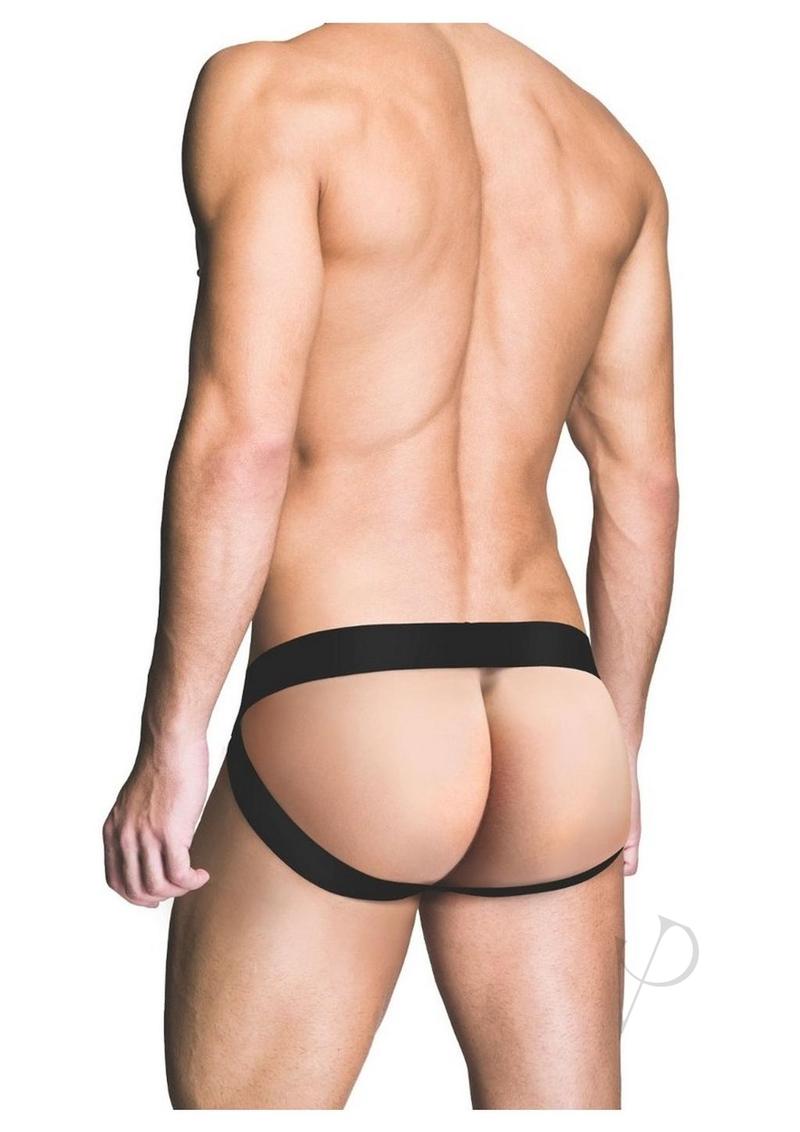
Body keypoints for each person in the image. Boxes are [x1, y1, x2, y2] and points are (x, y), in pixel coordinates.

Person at [102, 22, 678, 1109]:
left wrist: (172, 738)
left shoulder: (277, 91)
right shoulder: (604, 149)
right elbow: (641, 484)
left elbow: (243, 441)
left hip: (352, 692)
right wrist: (623, 747)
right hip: (558, 709)